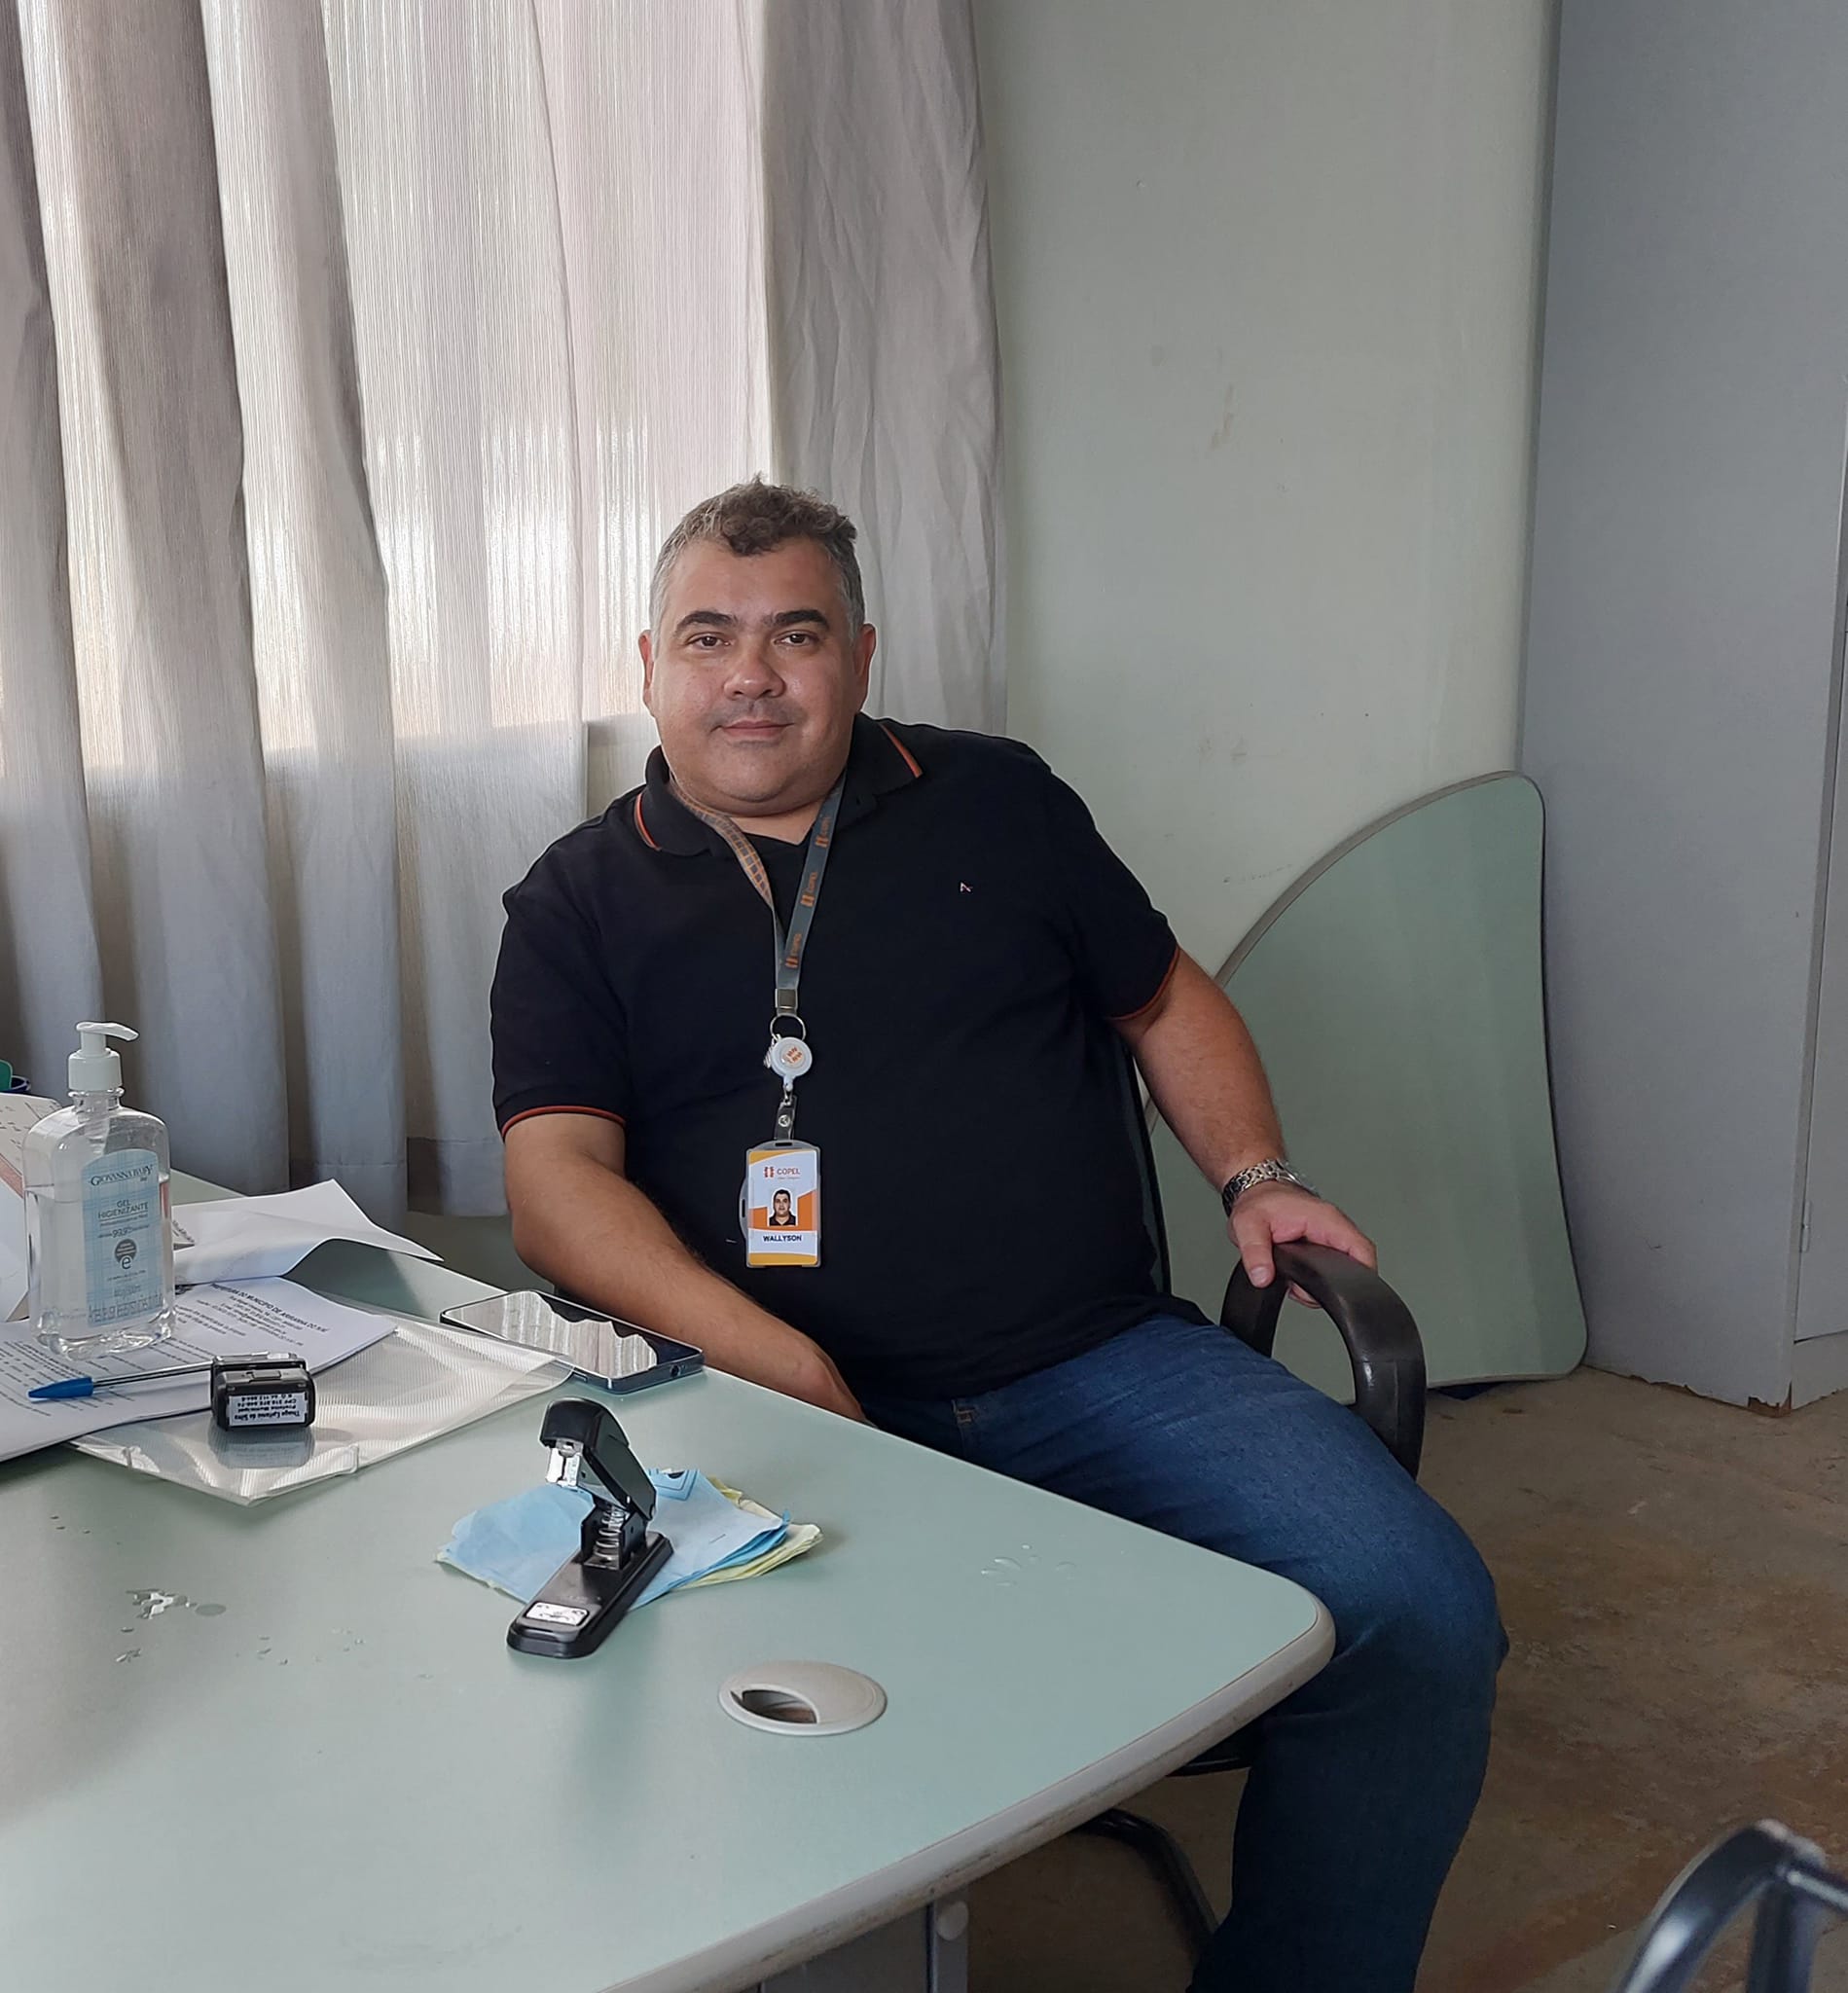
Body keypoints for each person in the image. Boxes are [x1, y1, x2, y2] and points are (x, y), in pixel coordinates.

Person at [490, 479, 1502, 1993]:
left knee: (1419, 1610)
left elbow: (1162, 995)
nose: (751, 676)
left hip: (1097, 1361)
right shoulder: (577, 899)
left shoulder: (995, 799)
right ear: (650, 666)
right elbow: (556, 1180)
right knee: (722, 1713)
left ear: (861, 656)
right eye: (709, 637)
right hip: (781, 1410)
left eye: (796, 635)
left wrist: (1256, 1174)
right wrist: (779, 1360)